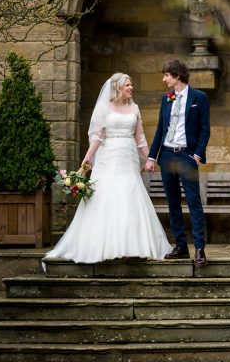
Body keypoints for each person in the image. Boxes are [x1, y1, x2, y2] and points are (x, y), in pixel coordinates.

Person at [44, 73, 172, 265]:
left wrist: (152, 158)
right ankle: (103, 246)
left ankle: (132, 247)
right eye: (128, 85)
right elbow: (98, 137)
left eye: (132, 84)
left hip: (128, 159)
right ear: (117, 88)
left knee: (130, 196)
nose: (131, 88)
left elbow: (140, 138)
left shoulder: (135, 108)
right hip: (108, 158)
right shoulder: (104, 108)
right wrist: (86, 162)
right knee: (106, 197)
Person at [144, 59, 211, 266]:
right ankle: (181, 247)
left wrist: (197, 156)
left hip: (186, 157)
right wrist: (152, 157)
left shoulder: (199, 98)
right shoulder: (166, 98)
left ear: (177, 76)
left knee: (193, 203)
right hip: (167, 156)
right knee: (173, 203)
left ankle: (200, 249)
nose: (164, 79)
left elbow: (205, 130)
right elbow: (160, 130)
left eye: (166, 75)